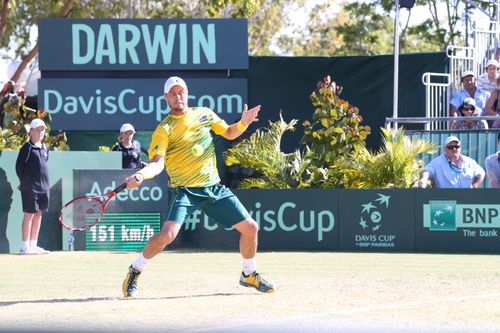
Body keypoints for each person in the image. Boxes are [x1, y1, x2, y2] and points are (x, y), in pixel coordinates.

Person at [121, 76, 274, 297]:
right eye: (173, 93)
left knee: (251, 228)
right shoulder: (164, 129)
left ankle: (249, 274)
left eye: (181, 92)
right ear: (166, 98)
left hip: (213, 187)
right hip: (186, 190)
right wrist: (141, 175)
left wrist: (244, 122)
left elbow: (229, 132)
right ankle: (136, 268)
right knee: (167, 236)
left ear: (187, 93)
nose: (178, 96)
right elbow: (157, 163)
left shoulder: (204, 113)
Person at [15, 118, 50, 255]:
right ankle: (24, 247)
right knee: (29, 215)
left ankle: (33, 245)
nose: (41, 132)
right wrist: (24, 182)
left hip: (44, 187)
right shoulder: (27, 148)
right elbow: (19, 167)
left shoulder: (46, 147)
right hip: (30, 187)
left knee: (38, 215)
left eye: (42, 130)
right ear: (31, 131)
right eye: (38, 130)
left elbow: (44, 163)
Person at [417, 136, 485, 188]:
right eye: (450, 147)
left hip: (467, 200)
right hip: (446, 200)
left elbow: (481, 173)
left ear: (460, 148)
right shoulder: (437, 162)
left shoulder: (470, 162)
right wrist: (423, 180)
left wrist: (475, 185)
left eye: (456, 146)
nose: (454, 149)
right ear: (445, 149)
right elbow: (427, 171)